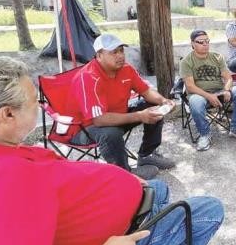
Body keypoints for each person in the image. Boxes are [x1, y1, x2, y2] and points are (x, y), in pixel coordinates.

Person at [0, 56, 224, 245]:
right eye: (35, 101)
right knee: (209, 208)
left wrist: (117, 181)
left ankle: (144, 168)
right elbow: (100, 121)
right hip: (118, 239)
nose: (40, 106)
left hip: (115, 204)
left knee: (158, 188)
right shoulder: (0, 188)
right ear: (7, 114)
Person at [68, 33, 176, 180]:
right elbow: (99, 120)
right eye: (114, 52)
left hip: (118, 118)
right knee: (110, 133)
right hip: (84, 129)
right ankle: (124, 175)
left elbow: (146, 91)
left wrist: (163, 101)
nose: (120, 56)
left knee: (154, 107)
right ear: (99, 55)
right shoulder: (88, 77)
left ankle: (147, 155)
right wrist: (139, 115)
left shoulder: (126, 69)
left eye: (121, 51)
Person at [181, 30, 236, 151]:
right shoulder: (186, 62)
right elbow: (190, 87)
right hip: (200, 95)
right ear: (192, 44)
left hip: (219, 92)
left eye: (207, 41)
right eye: (201, 42)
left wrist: (226, 90)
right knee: (195, 101)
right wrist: (209, 96)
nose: (205, 44)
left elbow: (228, 78)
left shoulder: (217, 57)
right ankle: (205, 134)